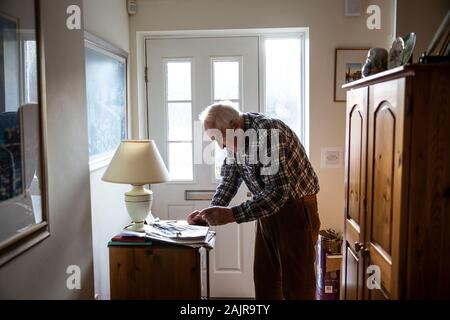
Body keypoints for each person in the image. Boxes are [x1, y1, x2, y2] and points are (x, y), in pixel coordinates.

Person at [187, 102, 321, 300]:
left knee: (297, 284)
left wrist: (232, 214)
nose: (220, 145)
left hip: (295, 209)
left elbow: (277, 193)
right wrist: (209, 213)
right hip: (267, 209)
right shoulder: (235, 137)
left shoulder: (268, 133)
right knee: (266, 279)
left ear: (233, 125)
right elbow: (229, 179)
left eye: (218, 137)